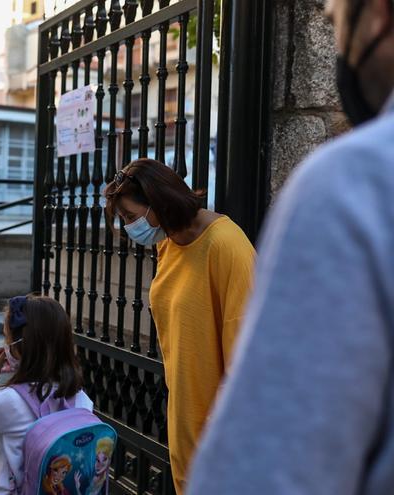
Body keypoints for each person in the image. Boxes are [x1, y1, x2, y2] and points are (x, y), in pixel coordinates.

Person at [187, 0, 394, 493]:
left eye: (336, 22)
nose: (339, 46)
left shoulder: (355, 183)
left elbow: (266, 474)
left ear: (380, 12)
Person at [103, 158, 255, 493]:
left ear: (158, 202)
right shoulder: (168, 242)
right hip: (184, 407)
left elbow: (248, 350)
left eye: (130, 216)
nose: (129, 228)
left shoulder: (227, 246)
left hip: (221, 425)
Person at [0, 295, 93, 494]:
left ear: (20, 347)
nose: (5, 345)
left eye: (7, 338)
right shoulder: (80, 397)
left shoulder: (11, 400)